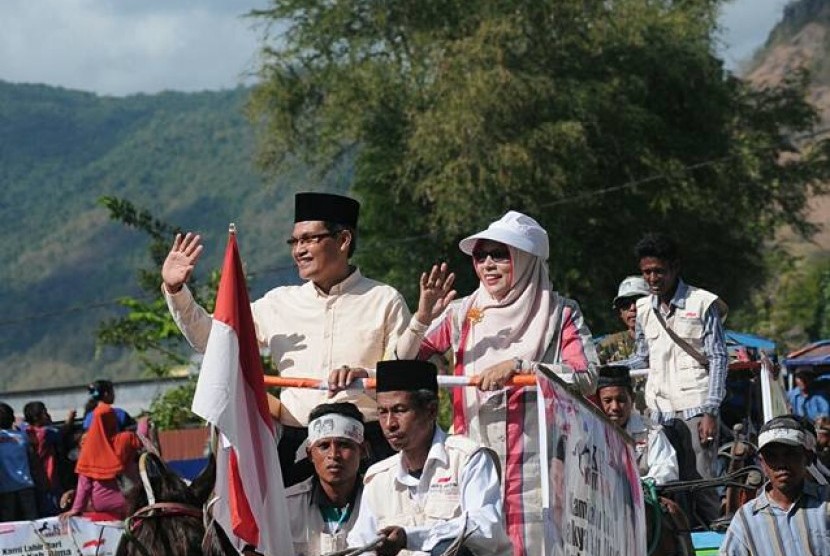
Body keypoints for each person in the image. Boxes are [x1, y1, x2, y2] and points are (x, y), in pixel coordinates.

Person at [162, 192, 410, 485]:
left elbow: (403, 378)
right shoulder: (278, 303)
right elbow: (216, 343)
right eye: (294, 242)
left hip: (367, 446)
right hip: (297, 446)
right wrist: (177, 291)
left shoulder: (384, 299)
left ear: (343, 240)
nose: (299, 250)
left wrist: (365, 376)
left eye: (308, 239)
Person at [395, 210, 598, 555]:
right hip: (473, 458)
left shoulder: (560, 313)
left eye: (499, 254)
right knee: (472, 542)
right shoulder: (462, 311)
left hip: (540, 465)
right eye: (480, 255)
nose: (488, 264)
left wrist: (521, 367)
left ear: (527, 259)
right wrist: (422, 317)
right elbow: (404, 363)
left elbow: (588, 376)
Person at [348, 360, 512, 556]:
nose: (390, 424)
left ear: (431, 410)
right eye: (383, 412)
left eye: (400, 410)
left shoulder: (468, 459)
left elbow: (485, 528)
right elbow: (361, 544)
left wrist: (411, 538)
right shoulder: (378, 478)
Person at [624, 232, 727, 524]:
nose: (653, 278)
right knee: (666, 489)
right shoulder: (643, 308)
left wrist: (711, 410)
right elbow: (641, 356)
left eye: (659, 271)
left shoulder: (703, 303)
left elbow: (719, 358)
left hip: (696, 408)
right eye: (647, 272)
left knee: (703, 487)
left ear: (674, 267)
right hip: (658, 414)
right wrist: (604, 368)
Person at [720, 415, 830, 555]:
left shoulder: (826, 502)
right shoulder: (747, 518)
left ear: (807, 458)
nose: (781, 464)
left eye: (790, 454)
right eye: (772, 456)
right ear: (763, 464)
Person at [286, 402, 366, 556]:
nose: (334, 455)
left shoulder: (380, 500)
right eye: (324, 446)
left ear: (362, 451)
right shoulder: (286, 506)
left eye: (344, 445)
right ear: (310, 454)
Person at [60, 403, 144, 522]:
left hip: (103, 506)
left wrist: (76, 509)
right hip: (132, 501)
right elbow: (143, 439)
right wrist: (143, 423)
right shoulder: (126, 439)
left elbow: (84, 485)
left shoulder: (88, 448)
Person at [596, 365, 679, 484]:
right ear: (598, 401)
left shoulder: (651, 432)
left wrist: (637, 487)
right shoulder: (589, 429)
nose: (614, 407)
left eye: (621, 400)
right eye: (608, 401)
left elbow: (666, 469)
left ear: (632, 399)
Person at [22, 401, 76, 516]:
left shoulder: (24, 432)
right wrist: (70, 418)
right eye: (45, 412)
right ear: (38, 417)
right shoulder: (46, 433)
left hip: (34, 479)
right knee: (53, 510)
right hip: (49, 479)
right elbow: (63, 431)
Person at [597, 275, 650, 363]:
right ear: (620, 313)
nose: (633, 308)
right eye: (625, 304)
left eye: (639, 301)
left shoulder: (667, 340)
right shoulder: (608, 346)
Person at [0, 402, 38, 522]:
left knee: (9, 523)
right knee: (31, 520)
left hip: (5, 488)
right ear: (12, 419)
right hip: (25, 484)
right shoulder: (23, 437)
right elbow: (32, 457)